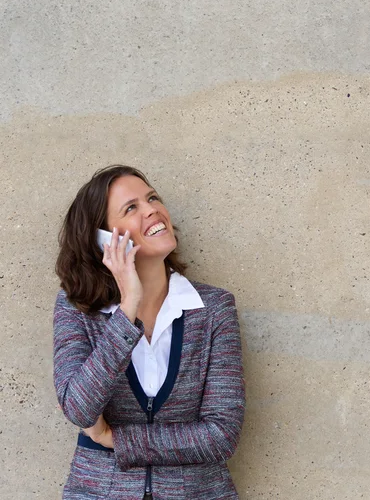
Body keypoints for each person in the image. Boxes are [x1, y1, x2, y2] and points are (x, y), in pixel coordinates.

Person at [53, 165, 245, 500]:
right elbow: (79, 409)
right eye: (131, 208)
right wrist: (128, 308)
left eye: (152, 198)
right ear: (103, 239)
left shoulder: (214, 308)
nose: (152, 209)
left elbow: (221, 434)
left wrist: (114, 439)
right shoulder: (77, 310)